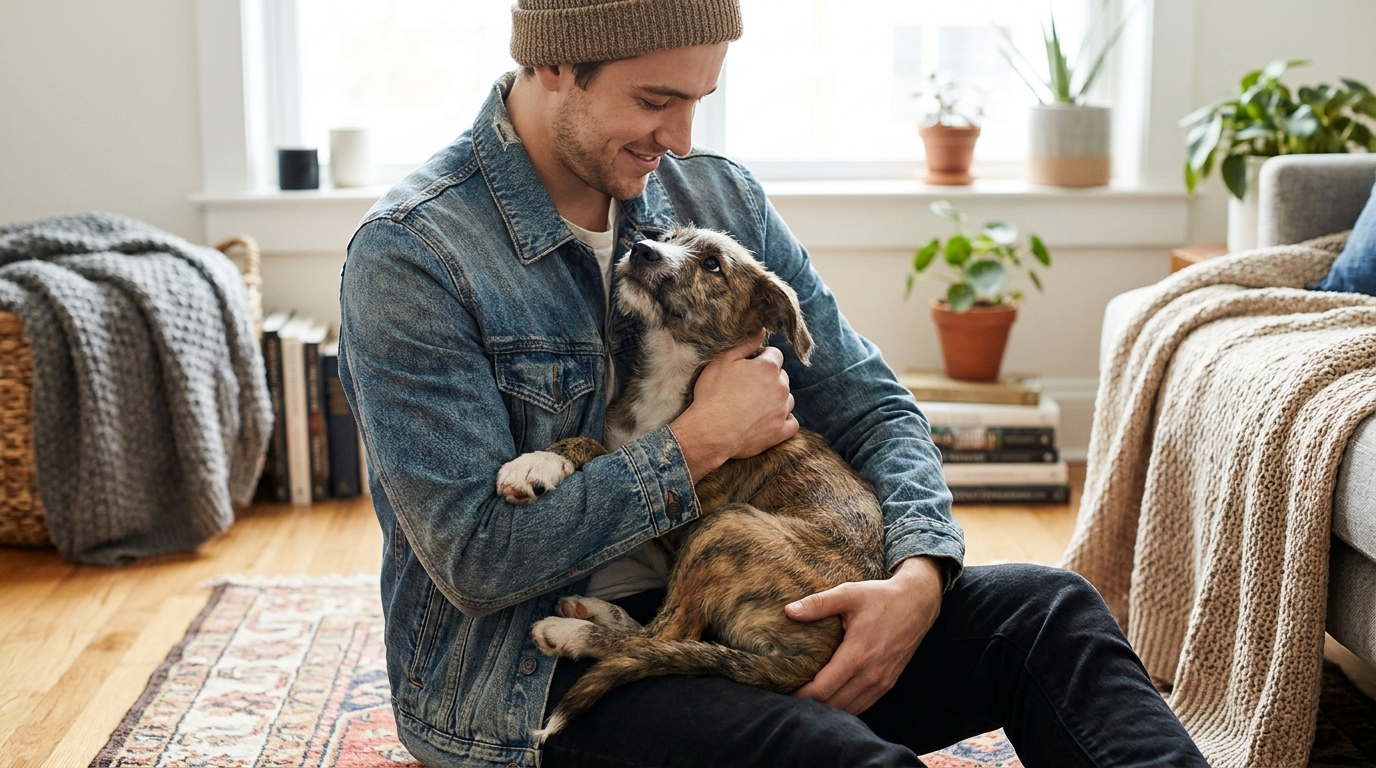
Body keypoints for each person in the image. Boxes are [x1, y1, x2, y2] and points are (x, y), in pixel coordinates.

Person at [337, 1, 1210, 766]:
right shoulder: (414, 255)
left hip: (766, 610)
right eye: (655, 100)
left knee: (1052, 610)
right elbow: (477, 558)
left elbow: (869, 403)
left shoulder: (719, 197)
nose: (678, 140)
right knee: (834, 757)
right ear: (554, 62)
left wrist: (917, 581)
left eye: (695, 102)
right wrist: (700, 442)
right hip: (529, 672)